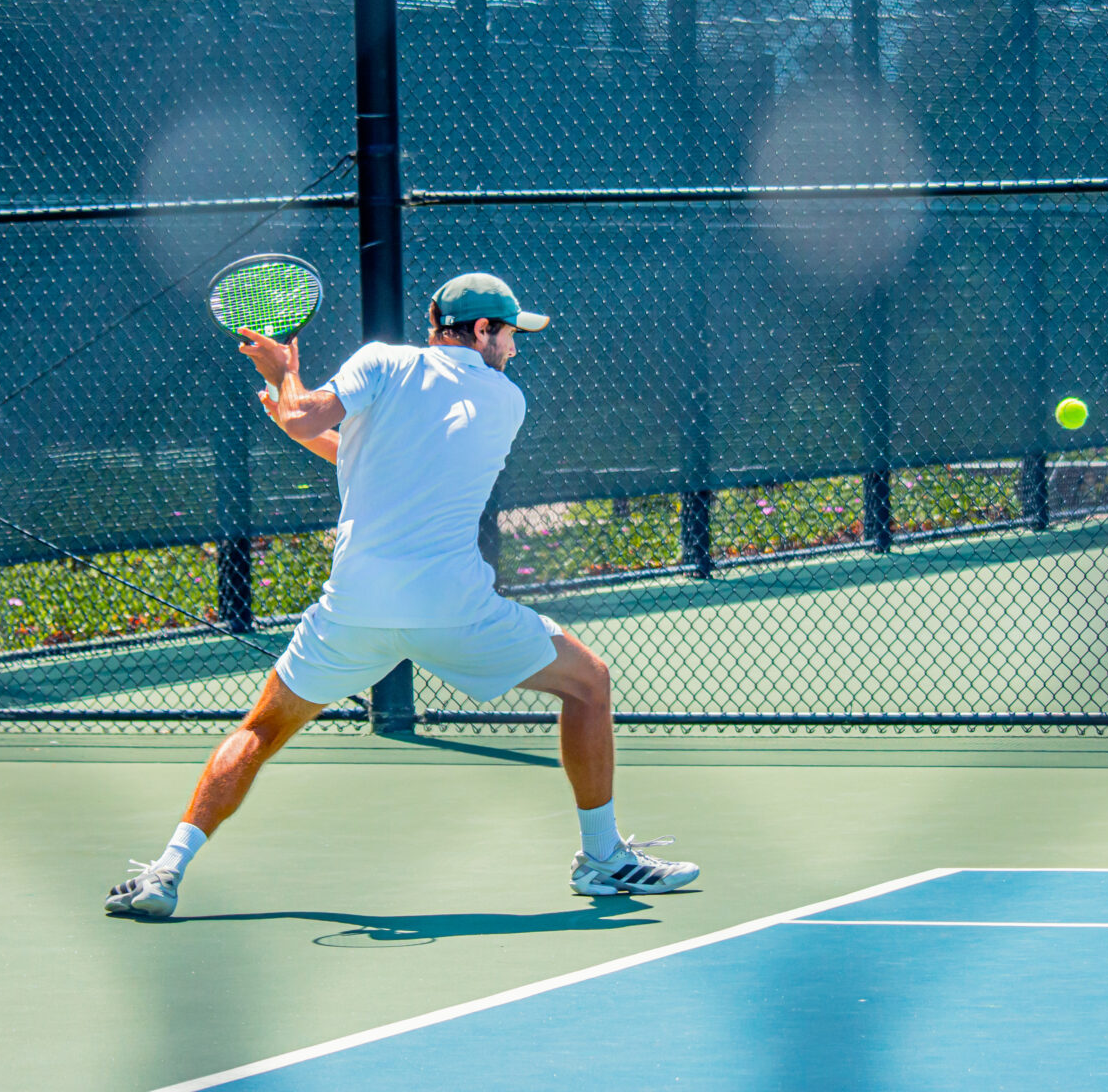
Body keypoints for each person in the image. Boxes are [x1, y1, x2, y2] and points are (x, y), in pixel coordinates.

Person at [104, 273, 699, 918]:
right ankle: (604, 860)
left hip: (355, 608)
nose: (515, 349)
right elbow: (372, 454)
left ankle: (165, 872)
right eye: (508, 334)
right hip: (453, 609)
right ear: (480, 331)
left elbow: (339, 441)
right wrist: (290, 396)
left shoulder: (380, 362)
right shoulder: (505, 400)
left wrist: (285, 380)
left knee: (261, 730)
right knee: (589, 683)